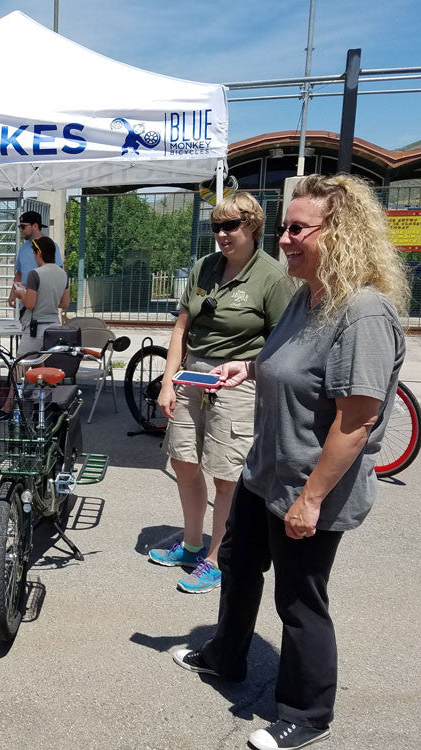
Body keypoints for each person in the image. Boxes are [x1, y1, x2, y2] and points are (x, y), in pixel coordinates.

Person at [172, 174, 410, 750]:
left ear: (343, 233)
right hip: (265, 471)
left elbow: (356, 421)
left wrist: (310, 500)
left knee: (300, 601)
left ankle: (306, 714)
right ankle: (227, 655)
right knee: (237, 562)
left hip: (309, 486)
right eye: (284, 227)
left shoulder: (363, 313)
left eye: (298, 229)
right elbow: (288, 363)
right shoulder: (309, 296)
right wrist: (247, 369)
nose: (284, 240)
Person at [149, 192, 294, 594]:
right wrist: (167, 380)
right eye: (216, 226)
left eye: (231, 225)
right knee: (183, 461)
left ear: (252, 226)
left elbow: (283, 343)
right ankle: (192, 545)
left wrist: (249, 373)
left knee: (226, 475)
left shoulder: (272, 278)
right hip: (192, 376)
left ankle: (217, 557)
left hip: (238, 383)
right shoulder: (204, 267)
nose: (222, 234)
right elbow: (181, 328)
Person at [0, 236, 69, 421]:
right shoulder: (62, 274)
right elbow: (64, 303)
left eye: (34, 252)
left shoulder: (35, 274)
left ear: (38, 253)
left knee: (19, 367)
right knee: (42, 366)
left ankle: (7, 409)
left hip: (35, 327)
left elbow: (30, 304)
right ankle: (43, 406)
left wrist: (20, 293)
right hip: (53, 327)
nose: (33, 256)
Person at [7, 210, 62, 309]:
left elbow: (58, 272)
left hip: (44, 304)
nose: (20, 230)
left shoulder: (51, 246)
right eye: (20, 227)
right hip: (24, 304)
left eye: (23, 227)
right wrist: (13, 293)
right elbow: (19, 273)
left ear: (35, 226)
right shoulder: (23, 248)